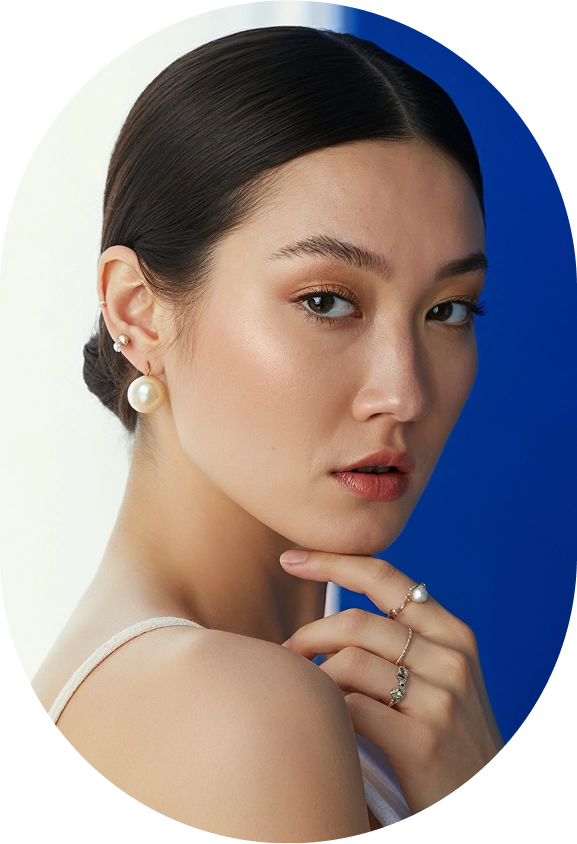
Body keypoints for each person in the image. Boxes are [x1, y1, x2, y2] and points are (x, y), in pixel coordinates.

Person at [32, 26, 503, 841]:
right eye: (326, 301)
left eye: (446, 310)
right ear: (137, 312)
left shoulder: (166, 684)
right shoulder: (235, 708)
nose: (402, 393)